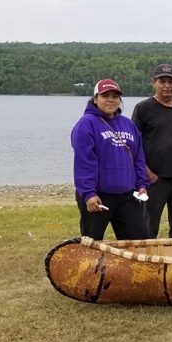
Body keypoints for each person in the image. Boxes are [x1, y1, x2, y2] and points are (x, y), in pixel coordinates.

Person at [71, 79, 150, 240]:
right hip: (99, 195)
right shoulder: (86, 125)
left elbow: (138, 158)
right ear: (95, 98)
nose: (110, 100)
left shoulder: (128, 124)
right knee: (92, 243)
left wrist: (142, 184)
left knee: (139, 242)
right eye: (105, 95)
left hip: (127, 195)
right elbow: (84, 162)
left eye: (115, 96)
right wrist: (88, 193)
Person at [131, 64, 172, 238]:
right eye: (162, 81)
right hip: (154, 179)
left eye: (171, 81)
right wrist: (146, 173)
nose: (167, 85)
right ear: (154, 83)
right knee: (148, 227)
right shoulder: (143, 108)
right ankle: (145, 263)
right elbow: (133, 146)